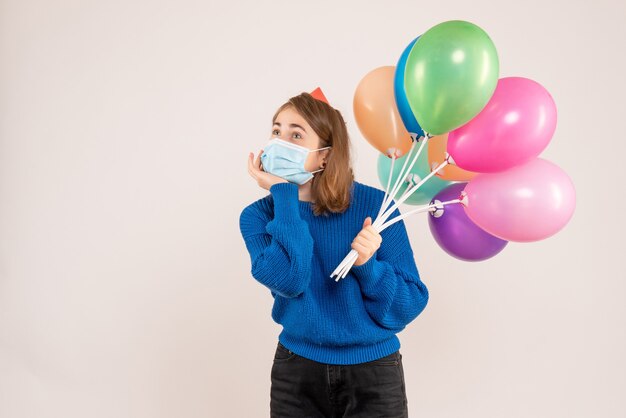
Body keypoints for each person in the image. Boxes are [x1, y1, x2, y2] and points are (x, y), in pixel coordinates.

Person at [239, 89, 429, 418]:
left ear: (324, 156)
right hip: (296, 374)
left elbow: (407, 306)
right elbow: (291, 280)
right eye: (276, 130)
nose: (280, 142)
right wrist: (284, 194)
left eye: (296, 134)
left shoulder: (377, 206)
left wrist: (369, 266)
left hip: (374, 375)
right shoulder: (257, 217)